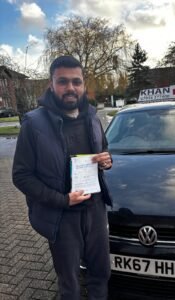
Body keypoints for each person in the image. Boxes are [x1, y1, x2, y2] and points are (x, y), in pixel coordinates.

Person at [12, 55, 113, 300]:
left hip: (95, 211)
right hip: (63, 216)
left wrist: (107, 162)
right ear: (51, 84)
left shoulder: (92, 116)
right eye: (63, 81)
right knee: (70, 284)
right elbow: (21, 176)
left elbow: (105, 152)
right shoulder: (33, 123)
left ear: (84, 85)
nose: (70, 88)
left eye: (76, 82)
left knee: (101, 274)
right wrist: (62, 200)